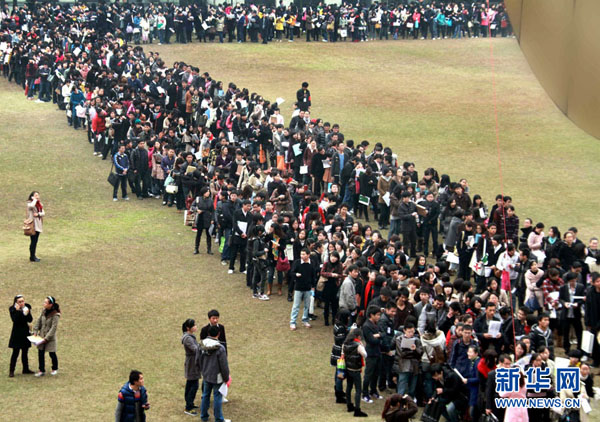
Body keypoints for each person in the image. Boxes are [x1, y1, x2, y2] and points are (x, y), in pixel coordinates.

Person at [198, 324, 231, 422]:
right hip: (217, 377)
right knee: (217, 397)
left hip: (206, 374)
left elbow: (197, 360)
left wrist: (202, 370)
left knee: (205, 395)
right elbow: (224, 365)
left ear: (208, 333)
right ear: (219, 334)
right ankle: (219, 419)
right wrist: (226, 378)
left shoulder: (201, 345)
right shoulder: (220, 348)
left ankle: (204, 416)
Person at [343, 328, 368, 418]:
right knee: (358, 390)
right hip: (356, 369)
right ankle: (357, 410)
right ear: (359, 336)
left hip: (348, 368)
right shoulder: (358, 345)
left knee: (349, 387)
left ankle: (349, 405)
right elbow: (365, 355)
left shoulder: (346, 343)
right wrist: (362, 345)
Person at [289, 248, 317, 330]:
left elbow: (313, 275)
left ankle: (305, 320)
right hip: (298, 287)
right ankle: (293, 322)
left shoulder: (312, 263)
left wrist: (313, 287)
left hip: (308, 288)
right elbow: (291, 272)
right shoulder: (297, 262)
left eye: (304, 254)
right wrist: (296, 274)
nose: (302, 256)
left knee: (307, 306)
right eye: (301, 254)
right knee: (296, 306)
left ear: (308, 255)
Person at [33, 296, 60, 377]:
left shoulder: (55, 314)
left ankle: (54, 368)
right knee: (40, 353)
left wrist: (47, 338)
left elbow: (53, 328)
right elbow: (39, 321)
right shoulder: (44, 311)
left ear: (50, 304)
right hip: (42, 336)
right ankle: (41, 370)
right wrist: (35, 331)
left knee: (52, 353)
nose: (44, 304)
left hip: (50, 338)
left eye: (45, 302)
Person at [361, 305, 383, 403]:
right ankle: (365, 394)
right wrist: (379, 336)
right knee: (368, 374)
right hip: (371, 353)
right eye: (377, 315)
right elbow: (371, 340)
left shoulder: (377, 324)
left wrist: (378, 335)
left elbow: (383, 334)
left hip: (378, 352)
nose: (379, 317)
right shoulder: (366, 326)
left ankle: (373, 390)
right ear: (371, 315)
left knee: (376, 373)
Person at [8, 295, 34, 377]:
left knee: (25, 352)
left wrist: (27, 313)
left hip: (25, 332)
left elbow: (30, 319)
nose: (22, 303)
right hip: (16, 333)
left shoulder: (27, 307)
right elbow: (15, 320)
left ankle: (25, 369)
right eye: (20, 302)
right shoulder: (12, 309)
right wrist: (19, 311)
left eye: (23, 301)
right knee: (15, 353)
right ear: (16, 303)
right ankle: (11, 371)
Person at [181, 319, 201, 416]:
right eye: (194, 325)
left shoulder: (190, 337)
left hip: (193, 362)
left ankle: (190, 403)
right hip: (192, 363)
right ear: (188, 328)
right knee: (193, 385)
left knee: (191, 383)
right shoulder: (188, 338)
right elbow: (195, 349)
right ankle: (188, 407)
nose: (195, 326)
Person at [192, 187, 215, 255]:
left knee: (208, 234)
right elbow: (192, 206)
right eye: (207, 192)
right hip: (200, 218)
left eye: (208, 192)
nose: (208, 193)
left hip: (207, 218)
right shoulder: (198, 199)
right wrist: (197, 210)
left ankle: (209, 249)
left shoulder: (210, 200)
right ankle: (196, 248)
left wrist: (212, 219)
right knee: (198, 234)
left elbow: (213, 211)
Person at [26, 191, 45, 262]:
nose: (37, 196)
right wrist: (34, 200)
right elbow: (31, 206)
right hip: (33, 225)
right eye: (36, 195)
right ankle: (32, 257)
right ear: (32, 197)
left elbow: (43, 213)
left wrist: (38, 214)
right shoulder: (30, 203)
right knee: (33, 241)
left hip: (38, 224)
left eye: (38, 195)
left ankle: (33, 256)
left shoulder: (39, 204)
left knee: (35, 241)